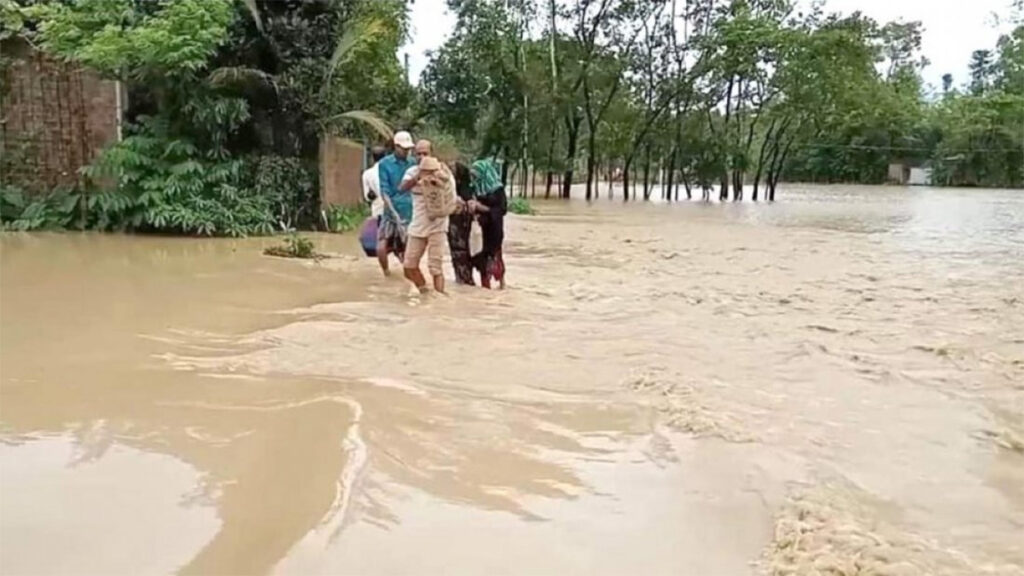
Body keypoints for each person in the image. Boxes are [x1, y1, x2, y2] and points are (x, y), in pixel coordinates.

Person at [402, 154, 456, 294]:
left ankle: (439, 299)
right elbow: (401, 188)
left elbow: (451, 200)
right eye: (419, 153)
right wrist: (418, 178)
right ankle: (425, 291)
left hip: (437, 227)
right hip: (417, 226)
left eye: (425, 153)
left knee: (435, 268)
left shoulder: (445, 176)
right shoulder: (412, 172)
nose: (422, 156)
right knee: (408, 266)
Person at [376, 131, 416, 276]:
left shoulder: (413, 162)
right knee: (382, 243)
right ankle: (386, 273)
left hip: (410, 209)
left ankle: (408, 274)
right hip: (392, 208)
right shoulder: (384, 164)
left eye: (408, 149)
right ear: (395, 146)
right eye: (403, 148)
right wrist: (393, 213)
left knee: (408, 246)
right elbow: (384, 191)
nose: (406, 151)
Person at [470, 157, 507, 289]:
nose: (474, 177)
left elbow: (502, 209)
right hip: (480, 230)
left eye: (476, 174)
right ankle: (485, 290)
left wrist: (481, 208)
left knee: (495, 257)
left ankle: (502, 286)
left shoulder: (497, 190)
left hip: (494, 229)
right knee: (481, 261)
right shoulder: (473, 187)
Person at [447, 161, 475, 285]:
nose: (450, 169)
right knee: (460, 254)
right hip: (456, 231)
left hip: (461, 229)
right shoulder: (450, 188)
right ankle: (463, 280)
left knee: (462, 254)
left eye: (452, 167)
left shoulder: (467, 190)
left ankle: (464, 280)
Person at [361, 146, 386, 219]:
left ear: (372, 158)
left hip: (377, 210)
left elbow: (367, 197)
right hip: (393, 210)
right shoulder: (391, 171)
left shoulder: (367, 174)